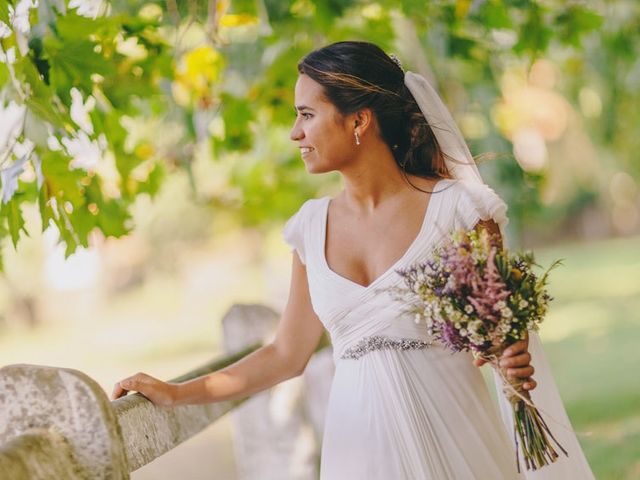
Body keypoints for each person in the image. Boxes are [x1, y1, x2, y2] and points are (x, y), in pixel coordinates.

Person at [112, 41, 594, 479]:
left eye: (306, 115)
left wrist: (506, 355)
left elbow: (495, 335)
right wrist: (177, 393)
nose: (294, 134)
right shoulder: (308, 228)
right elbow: (286, 355)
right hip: (358, 452)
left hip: (455, 439)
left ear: (359, 120)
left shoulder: (459, 211)